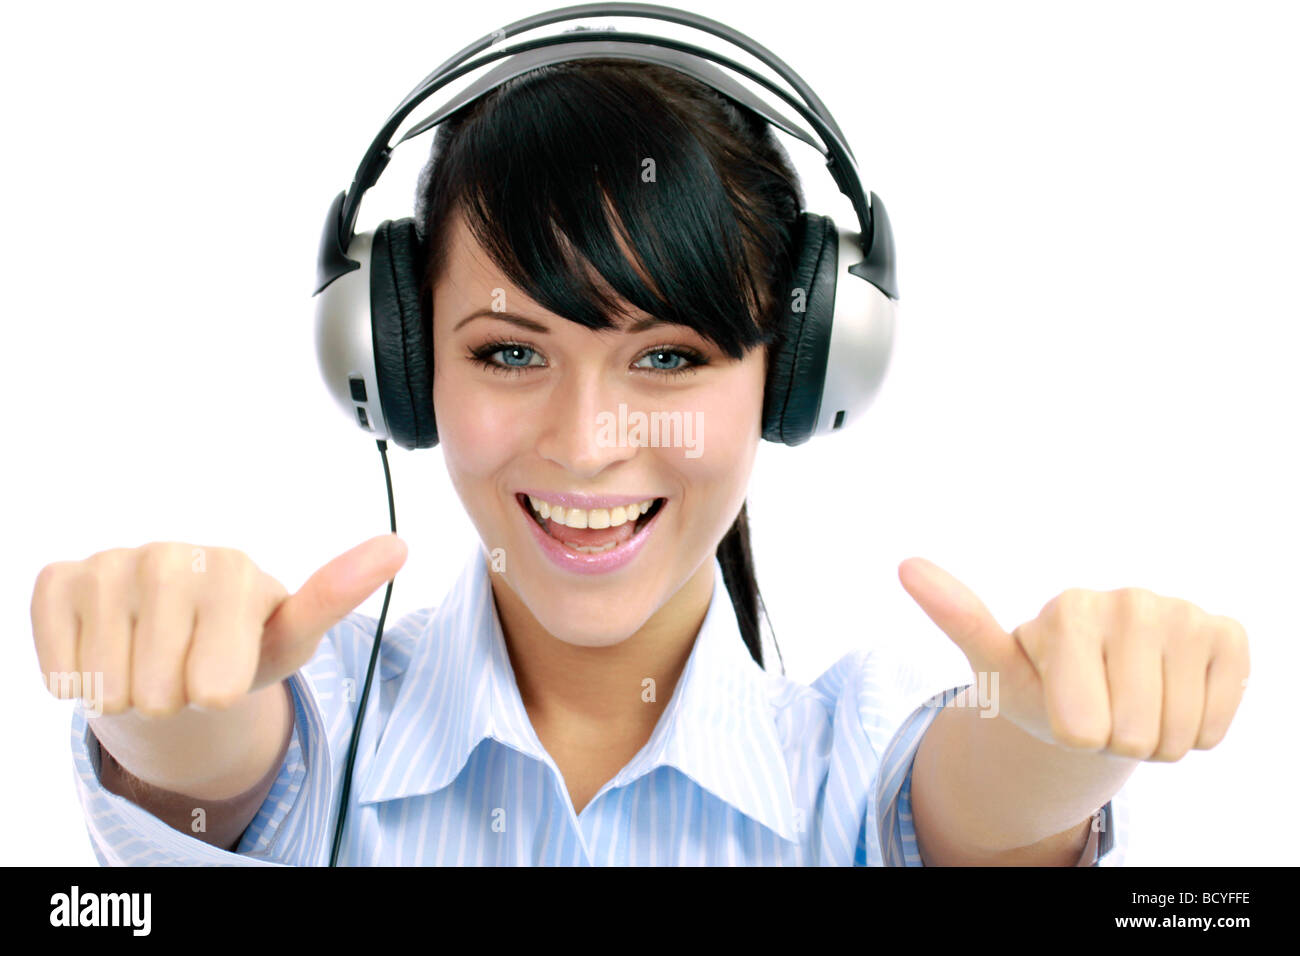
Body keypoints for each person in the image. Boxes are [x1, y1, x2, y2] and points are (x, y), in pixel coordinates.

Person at [40, 57, 1144, 866]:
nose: (585, 440)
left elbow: (974, 808)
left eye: (668, 354)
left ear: (799, 373)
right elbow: (219, 776)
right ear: (404, 358)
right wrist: (169, 716)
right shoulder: (317, 727)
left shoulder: (852, 769)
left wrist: (1049, 754)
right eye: (511, 349)